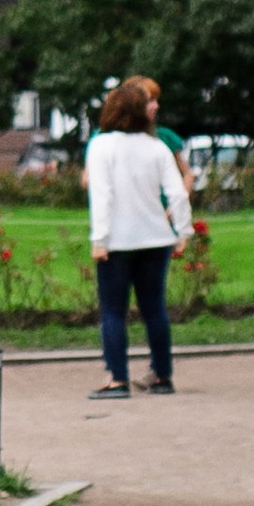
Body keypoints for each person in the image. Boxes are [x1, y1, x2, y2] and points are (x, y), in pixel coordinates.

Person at [85, 78, 193, 399]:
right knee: (155, 310)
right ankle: (162, 376)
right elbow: (176, 194)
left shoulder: (101, 146)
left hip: (117, 242)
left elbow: (101, 195)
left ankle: (117, 379)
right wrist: (183, 231)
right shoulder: (157, 147)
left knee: (113, 311)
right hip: (155, 239)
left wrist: (99, 238)